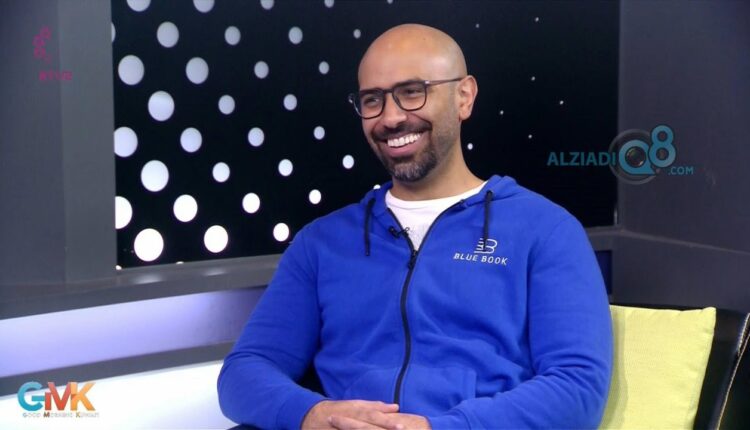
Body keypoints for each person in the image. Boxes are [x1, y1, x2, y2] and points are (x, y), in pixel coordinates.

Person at [218, 23, 612, 429]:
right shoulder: (321, 243)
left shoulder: (545, 230)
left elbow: (576, 387)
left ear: (464, 97)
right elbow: (244, 371)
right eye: (372, 100)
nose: (390, 118)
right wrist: (311, 414)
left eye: (412, 92)